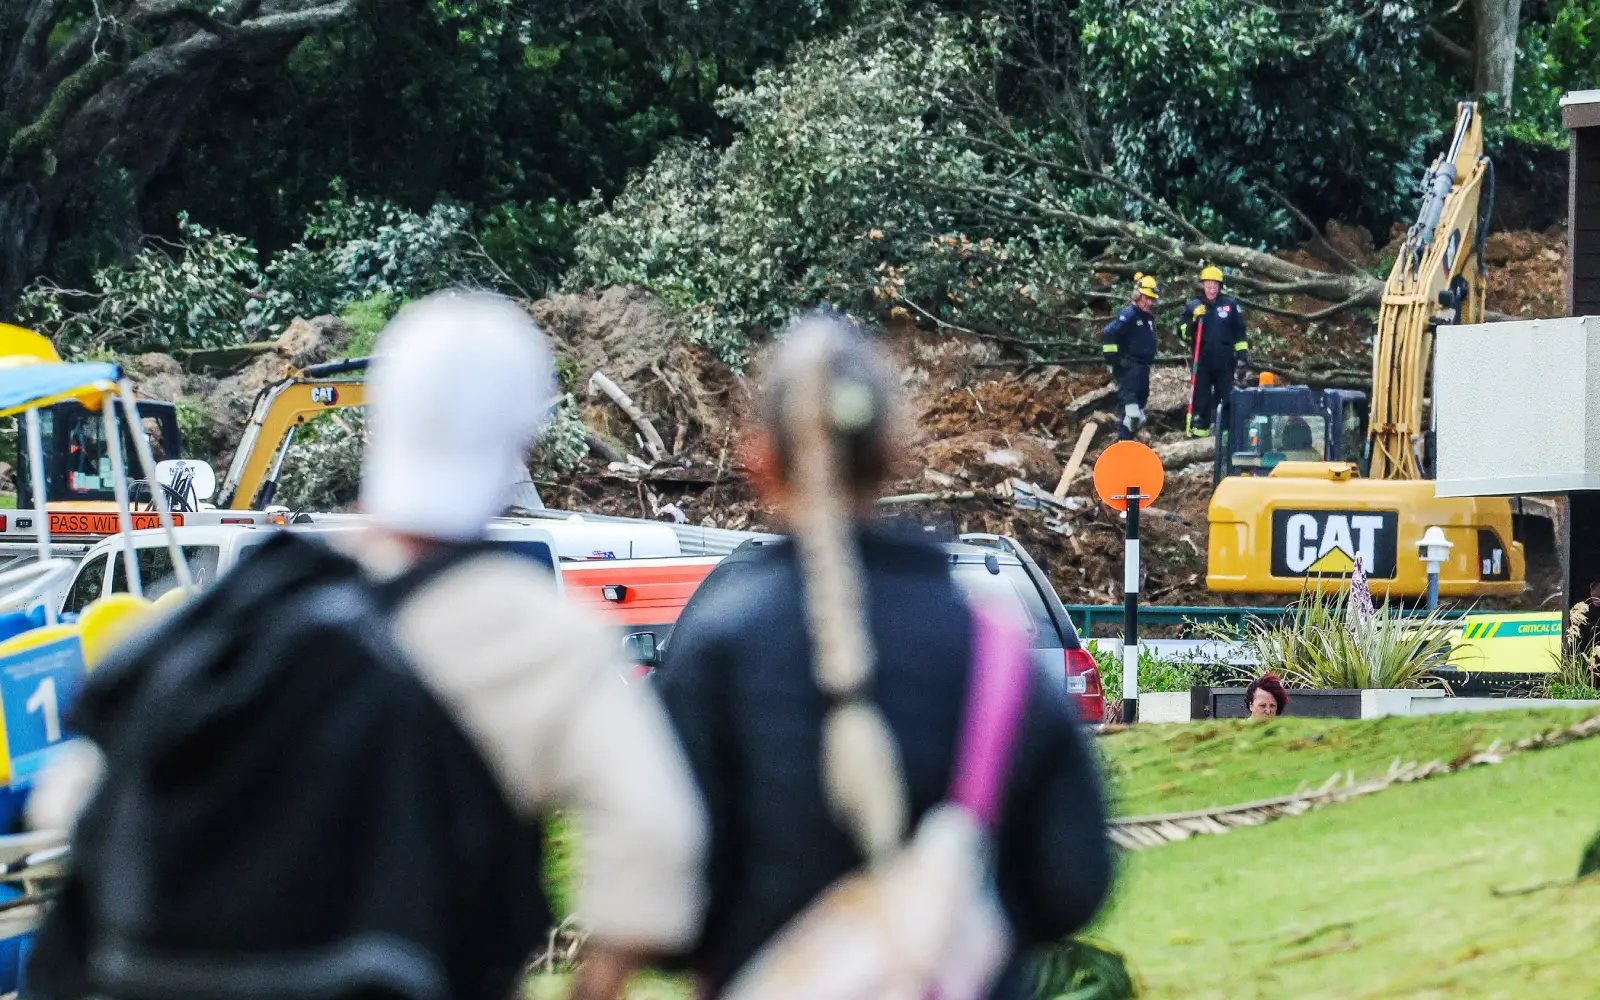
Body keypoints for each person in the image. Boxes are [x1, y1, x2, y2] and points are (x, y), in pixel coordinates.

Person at [28, 292, 707, 1000]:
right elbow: (656, 838)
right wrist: (597, 983)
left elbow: (69, 801)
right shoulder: (537, 634)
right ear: (525, 441)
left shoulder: (258, 594)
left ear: (379, 423)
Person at [657, 311, 1112, 999]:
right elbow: (1075, 881)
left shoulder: (717, 648)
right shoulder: (992, 646)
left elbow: (665, 891)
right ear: (895, 451)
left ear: (760, 461)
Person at [1177, 265, 1249, 438]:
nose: (1212, 288)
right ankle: (1199, 432)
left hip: (1225, 359)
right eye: (1209, 284)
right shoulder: (1193, 305)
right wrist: (1194, 319)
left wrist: (1242, 356)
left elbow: (1240, 332)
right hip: (1201, 359)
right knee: (1200, 395)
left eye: (1215, 285)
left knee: (1225, 395)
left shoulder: (1230, 305)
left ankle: (1224, 433)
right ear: (1203, 285)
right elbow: (1183, 333)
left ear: (1220, 286)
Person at [1102, 273, 1160, 440]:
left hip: (1142, 369)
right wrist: (1116, 359)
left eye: (1151, 299)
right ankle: (1123, 444)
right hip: (1129, 369)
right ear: (1137, 295)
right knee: (1130, 413)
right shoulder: (1129, 314)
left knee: (1139, 414)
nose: (1148, 302)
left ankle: (1131, 445)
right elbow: (1109, 333)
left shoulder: (1147, 317)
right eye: (1145, 298)